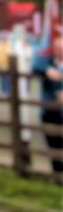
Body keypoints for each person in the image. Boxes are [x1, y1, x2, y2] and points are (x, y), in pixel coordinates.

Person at [32, 34, 63, 177]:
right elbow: (35, 65)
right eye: (58, 48)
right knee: (54, 145)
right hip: (51, 112)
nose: (61, 51)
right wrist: (47, 70)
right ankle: (57, 176)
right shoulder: (48, 63)